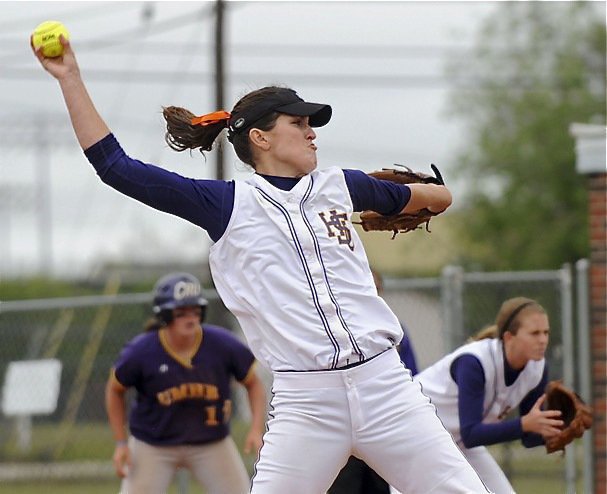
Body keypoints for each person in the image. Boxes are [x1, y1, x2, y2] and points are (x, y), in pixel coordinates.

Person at [34, 35, 491, 494]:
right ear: (260, 137)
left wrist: (413, 195)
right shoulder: (228, 205)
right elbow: (117, 168)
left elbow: (440, 197)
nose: (312, 132)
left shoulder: (342, 186)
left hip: (385, 386)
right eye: (299, 122)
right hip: (307, 402)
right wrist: (70, 77)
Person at [104, 272, 267, 494]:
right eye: (180, 313)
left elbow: (253, 384)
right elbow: (115, 390)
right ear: (164, 316)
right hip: (153, 444)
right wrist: (121, 443)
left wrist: (257, 429)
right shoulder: (141, 351)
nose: (190, 318)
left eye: (195, 311)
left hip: (211, 442)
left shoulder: (222, 344)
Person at [414, 297, 564, 494]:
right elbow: (472, 434)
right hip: (415, 438)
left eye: (546, 332)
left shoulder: (537, 367)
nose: (543, 340)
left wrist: (557, 430)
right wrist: (525, 424)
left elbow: (528, 436)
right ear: (509, 337)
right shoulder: (474, 363)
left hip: (457, 441)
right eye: (534, 333)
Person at [328, 270, 418, 494]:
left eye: (376, 289)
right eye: (367, 286)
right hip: (345, 424)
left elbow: (411, 375)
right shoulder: (335, 328)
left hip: (382, 423)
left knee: (378, 487)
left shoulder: (393, 329)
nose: (372, 293)